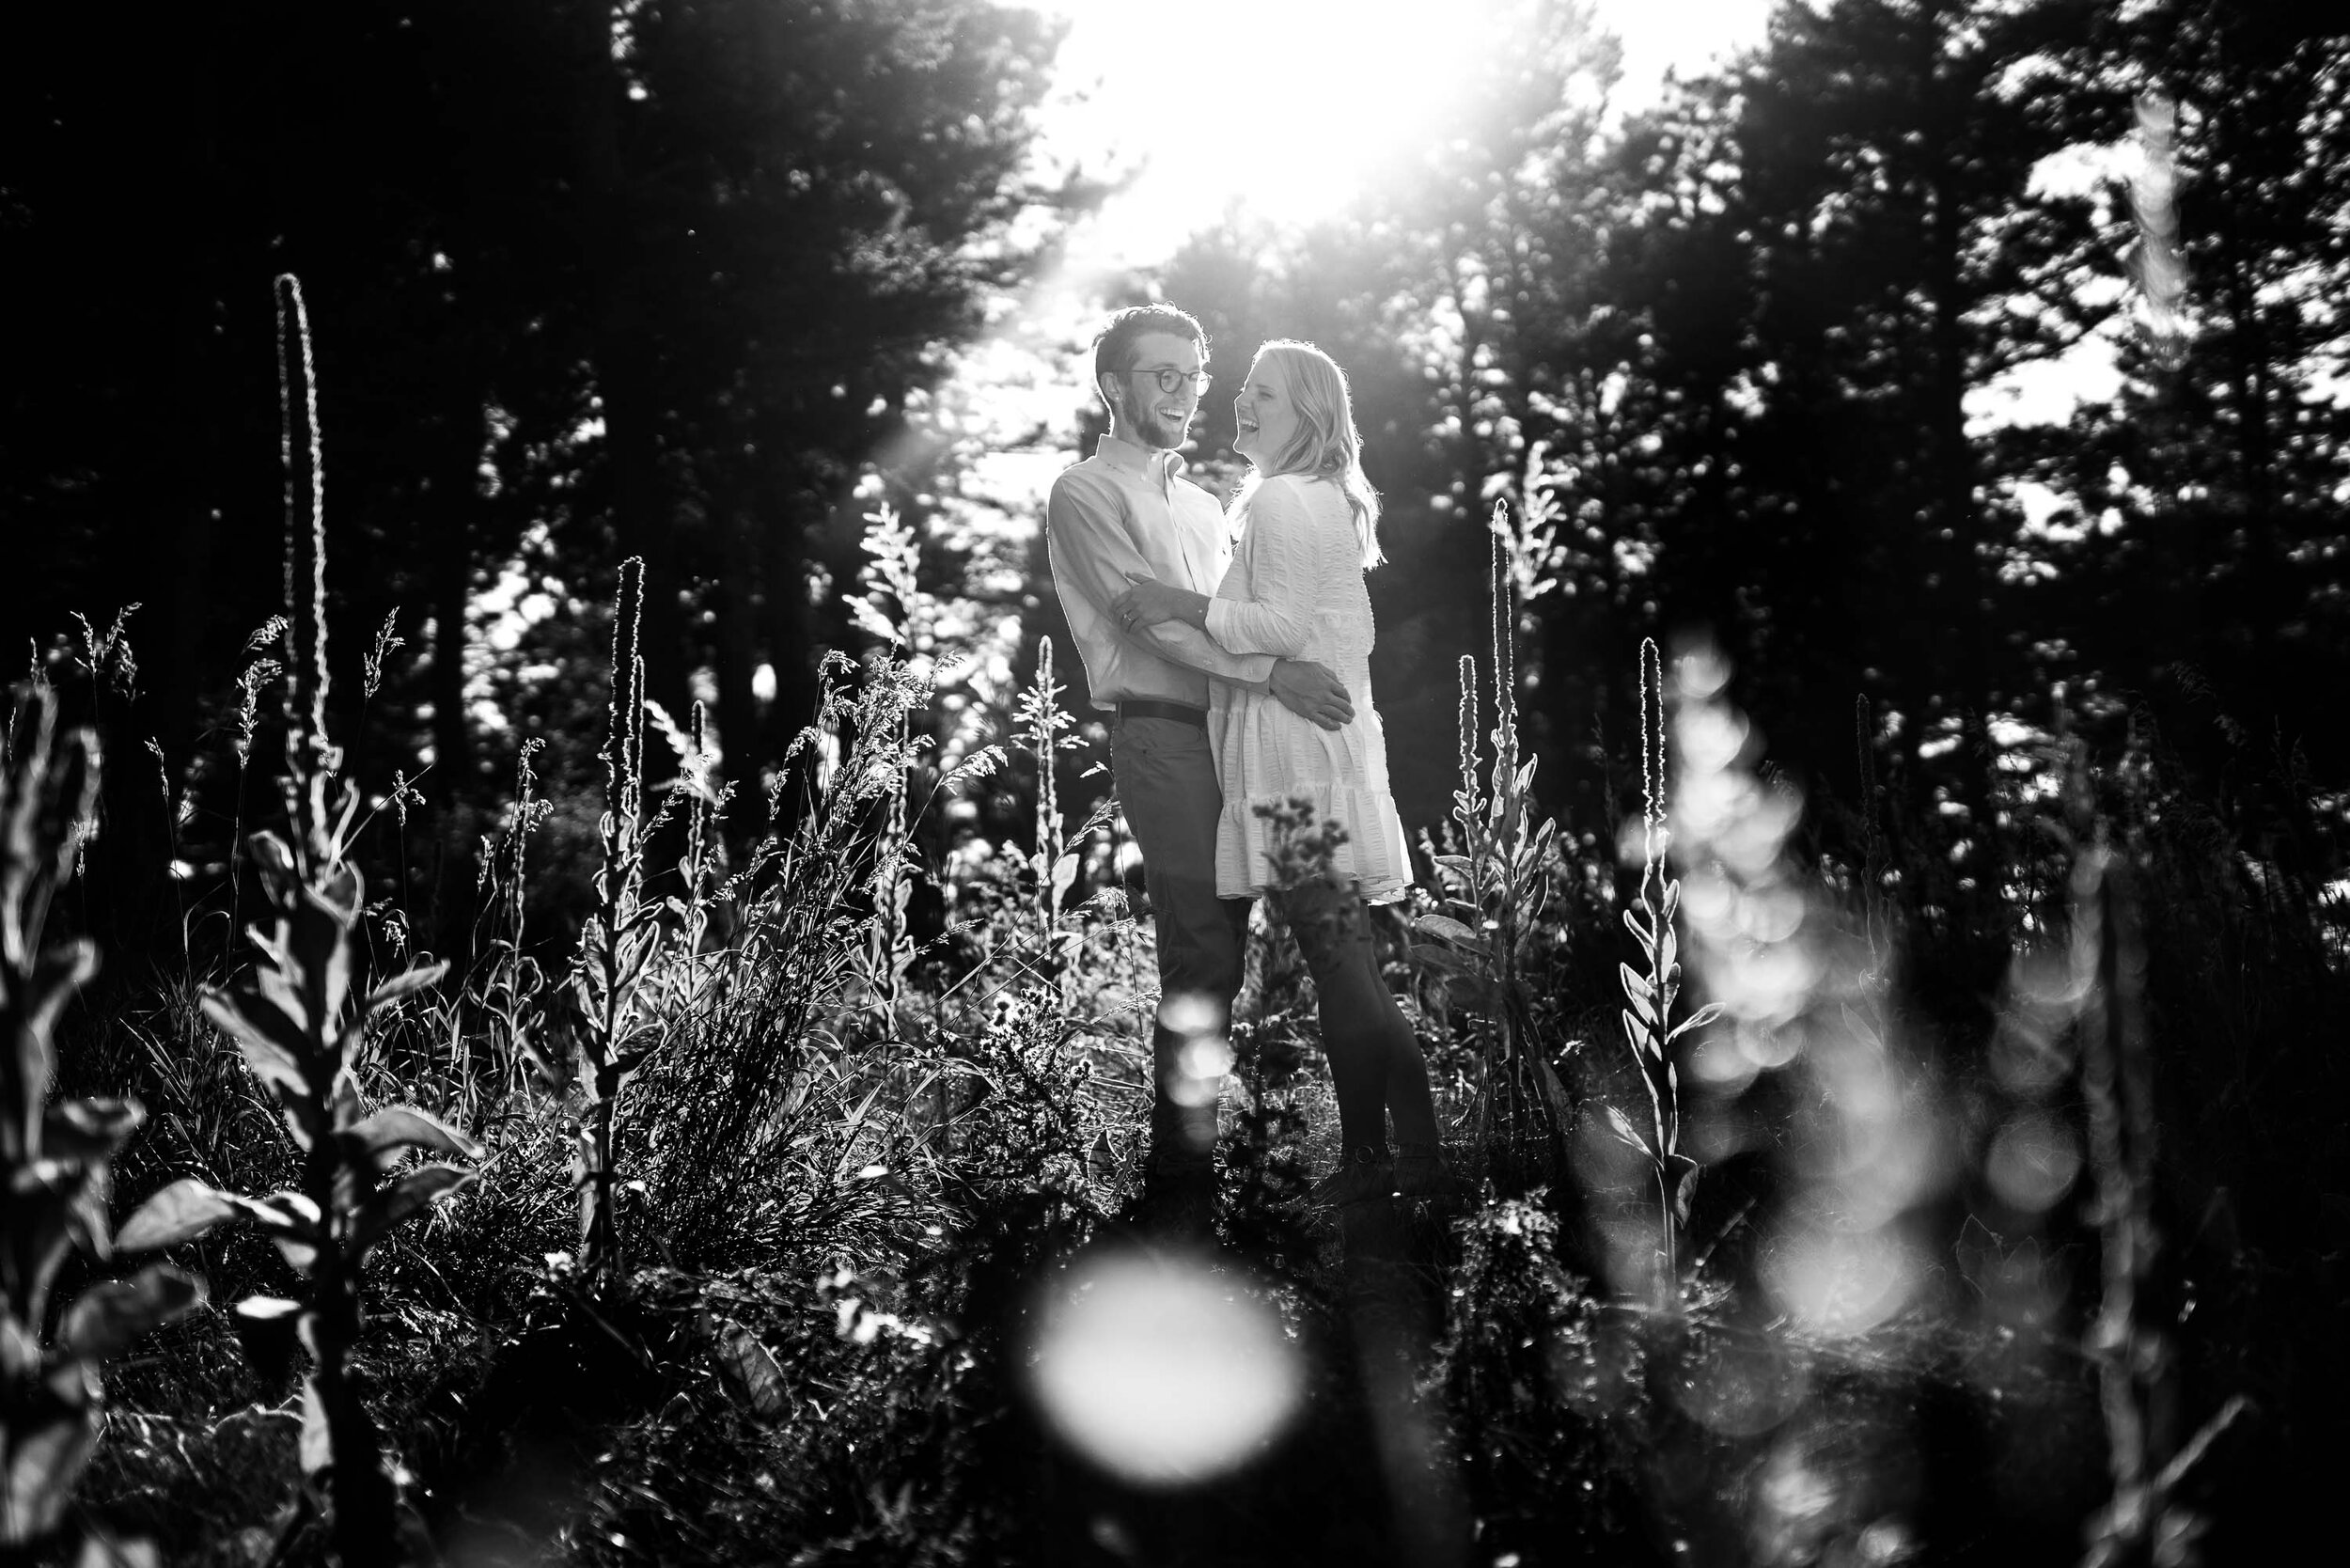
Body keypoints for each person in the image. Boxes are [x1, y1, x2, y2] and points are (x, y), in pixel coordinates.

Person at [1110, 339, 1460, 1207]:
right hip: (1314, 747)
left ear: (1308, 412)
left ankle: (1375, 1165)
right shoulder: (1308, 499)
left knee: (1339, 960)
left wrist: (1176, 600)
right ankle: (1419, 1159)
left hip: (1297, 754)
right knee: (1352, 965)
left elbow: (1281, 626)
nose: (1242, 404)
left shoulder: (1286, 503)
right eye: (1245, 391)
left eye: (1264, 394)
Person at [1045, 305, 1356, 1232]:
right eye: (1162, 374)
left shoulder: (1204, 503)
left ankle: (1347, 1167)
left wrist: (1287, 671)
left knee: (1307, 938)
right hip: (1164, 736)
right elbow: (1158, 626)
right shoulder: (1082, 492)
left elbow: (1237, 615)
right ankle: (1179, 1197)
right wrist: (1277, 673)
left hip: (1244, 733)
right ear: (1113, 386)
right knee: (1203, 954)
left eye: (1194, 374)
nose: (1186, 392)